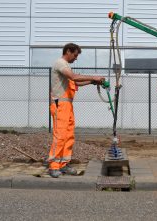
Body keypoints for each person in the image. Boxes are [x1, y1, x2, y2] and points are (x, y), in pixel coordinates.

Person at [48, 43, 105, 178]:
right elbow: (74, 77)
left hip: (67, 106)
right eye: (75, 55)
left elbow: (76, 82)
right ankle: (53, 166)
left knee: (68, 136)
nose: (76, 58)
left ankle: (64, 164)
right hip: (60, 105)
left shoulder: (66, 66)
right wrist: (93, 77)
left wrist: (92, 82)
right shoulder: (60, 63)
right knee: (60, 136)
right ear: (68, 51)